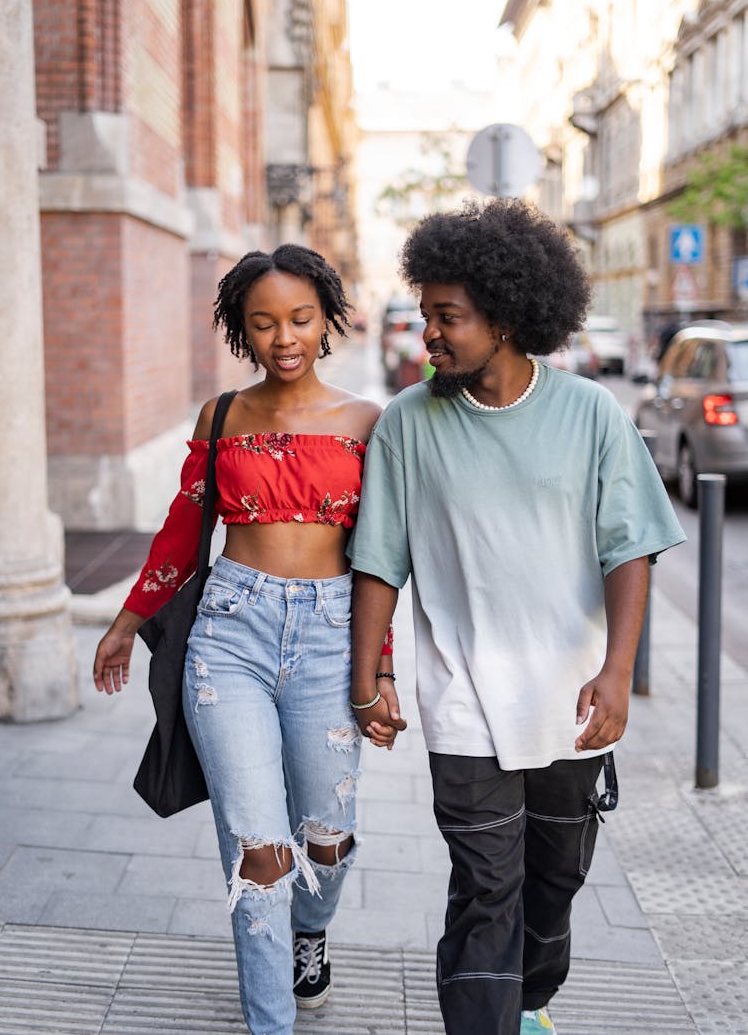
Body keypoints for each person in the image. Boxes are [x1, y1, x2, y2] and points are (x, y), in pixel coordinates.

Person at [347, 199, 686, 1035]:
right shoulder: (405, 426)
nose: (429, 333)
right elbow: (379, 559)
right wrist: (371, 674)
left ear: (504, 315)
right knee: (485, 885)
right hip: (463, 703)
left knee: (553, 880)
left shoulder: (592, 414)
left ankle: (530, 998)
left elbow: (630, 547)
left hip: (570, 700)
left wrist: (616, 673)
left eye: (447, 317)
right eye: (426, 314)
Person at [93, 244, 398, 1035]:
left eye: (300, 318)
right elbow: (180, 532)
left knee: (325, 843)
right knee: (260, 852)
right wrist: (126, 622)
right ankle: (272, 1023)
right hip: (230, 635)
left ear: (327, 316)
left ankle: (310, 932)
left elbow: (384, 557)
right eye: (263, 323)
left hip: (332, 638)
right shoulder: (222, 416)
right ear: (241, 330)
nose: (284, 337)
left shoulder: (369, 421)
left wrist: (379, 669)